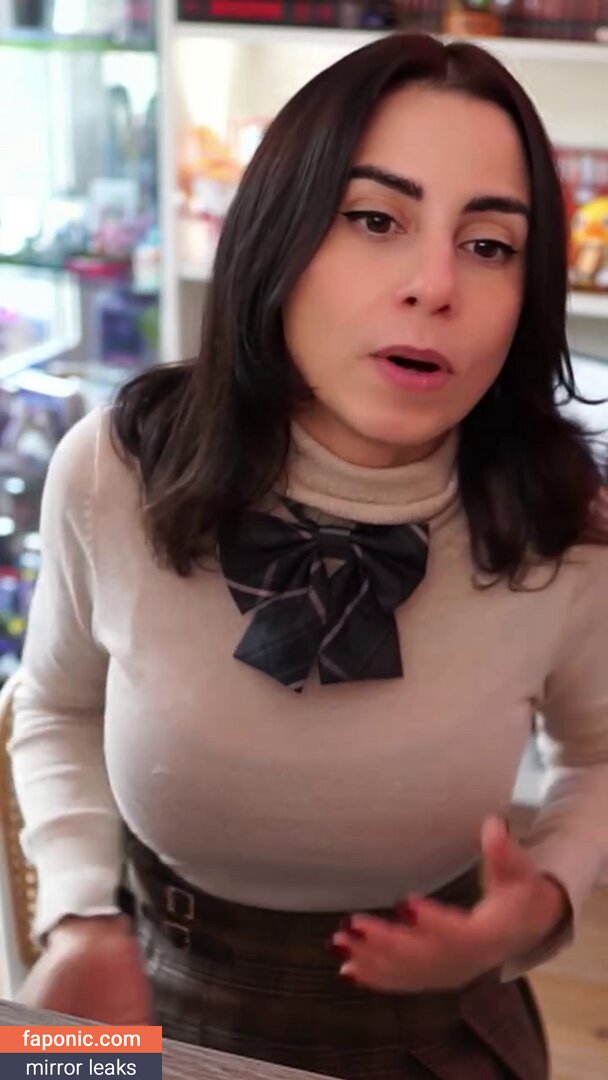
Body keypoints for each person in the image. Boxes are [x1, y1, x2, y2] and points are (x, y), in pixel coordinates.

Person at [9, 32, 608, 1080]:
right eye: (374, 220)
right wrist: (78, 915)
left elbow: (597, 755)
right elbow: (55, 706)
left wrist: (536, 907)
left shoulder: (564, 520)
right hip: (130, 983)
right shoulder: (113, 468)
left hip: (436, 1017)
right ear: (277, 233)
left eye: (488, 245)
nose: (434, 285)